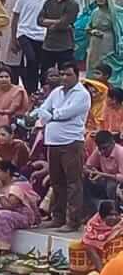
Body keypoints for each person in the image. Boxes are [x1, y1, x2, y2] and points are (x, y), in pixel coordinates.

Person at [37, 61, 92, 231]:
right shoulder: (56, 92)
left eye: (68, 74)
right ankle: (57, 217)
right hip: (53, 142)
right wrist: (51, 115)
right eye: (62, 74)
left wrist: (51, 115)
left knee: (73, 183)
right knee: (57, 181)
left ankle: (73, 221)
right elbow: (42, 110)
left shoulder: (82, 94)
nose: (64, 77)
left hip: (71, 142)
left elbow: (65, 114)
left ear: (76, 75)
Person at [39, 0, 79, 72]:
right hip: (48, 45)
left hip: (65, 46)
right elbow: (39, 20)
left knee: (65, 74)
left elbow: (63, 24)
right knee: (45, 75)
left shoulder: (72, 4)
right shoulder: (49, 2)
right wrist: (56, 22)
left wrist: (48, 22)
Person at [88, 130, 123, 205]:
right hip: (105, 180)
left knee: (111, 186)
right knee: (85, 180)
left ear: (112, 143)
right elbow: (88, 165)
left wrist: (102, 175)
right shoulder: (99, 151)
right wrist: (92, 172)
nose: (102, 151)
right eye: (100, 148)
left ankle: (115, 208)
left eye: (105, 148)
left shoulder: (120, 152)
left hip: (117, 184)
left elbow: (122, 178)